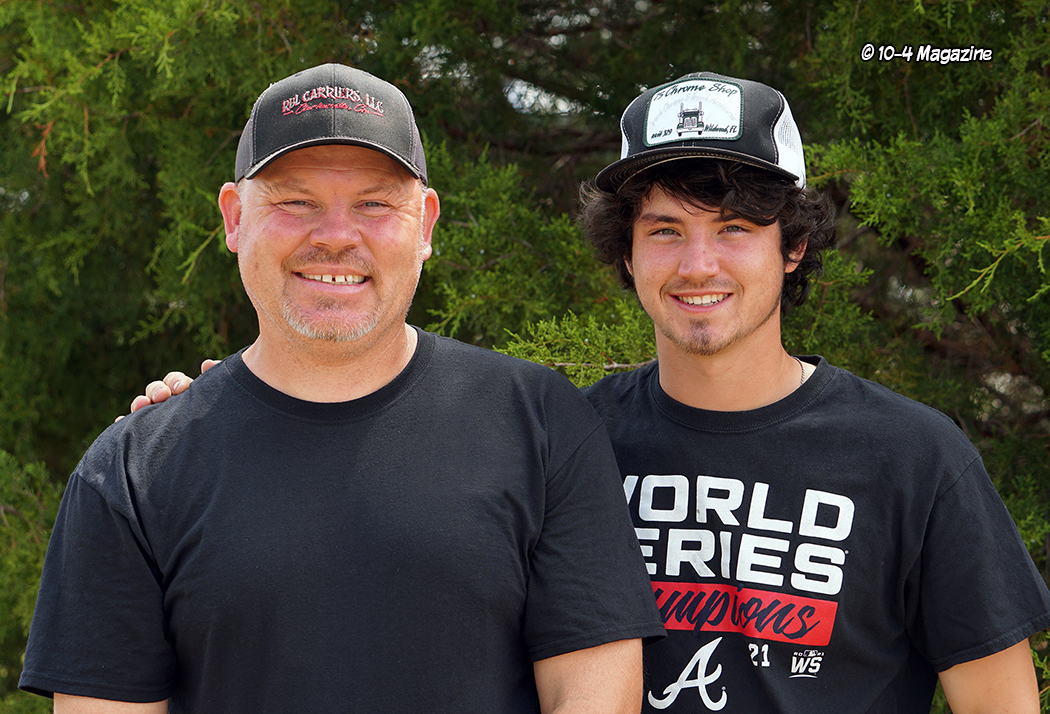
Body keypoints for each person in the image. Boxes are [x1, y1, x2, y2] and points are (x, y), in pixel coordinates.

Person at [125, 71, 1050, 713]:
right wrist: (225, 419)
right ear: (626, 251)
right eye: (664, 230)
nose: (698, 264)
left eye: (735, 228)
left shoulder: (914, 458)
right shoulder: (558, 437)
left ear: (794, 246)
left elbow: (1000, 703)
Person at [19, 63, 664, 714]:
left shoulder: (541, 424)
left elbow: (596, 697)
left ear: (426, 225)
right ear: (235, 218)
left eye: (374, 203)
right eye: (296, 202)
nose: (334, 236)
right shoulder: (130, 473)